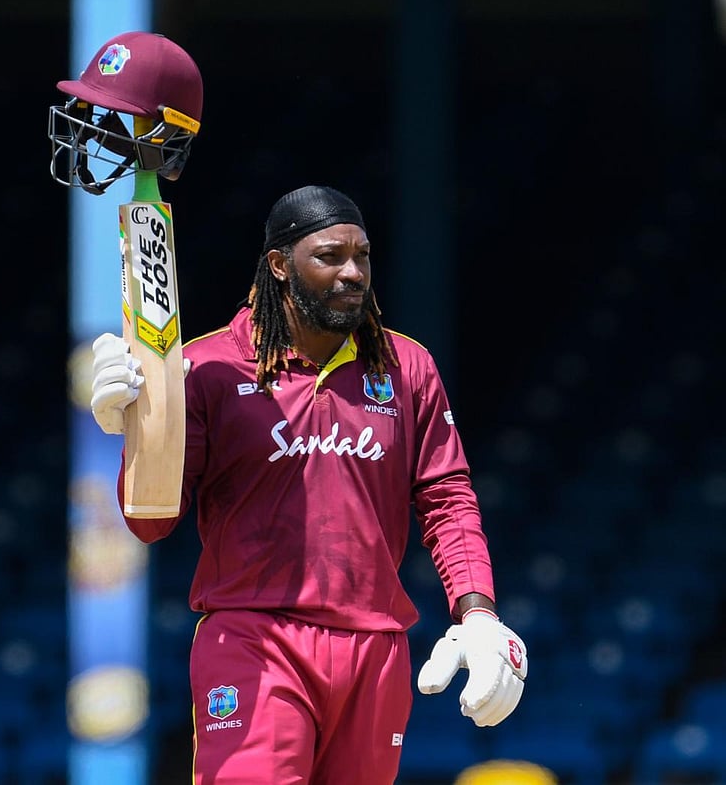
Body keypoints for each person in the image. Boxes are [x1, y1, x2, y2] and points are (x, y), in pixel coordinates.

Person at [89, 184, 528, 785]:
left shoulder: (407, 367)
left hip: (375, 649)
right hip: (253, 639)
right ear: (279, 265)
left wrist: (478, 614)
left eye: (363, 256)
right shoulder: (207, 368)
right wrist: (136, 431)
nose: (353, 273)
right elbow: (150, 522)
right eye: (330, 256)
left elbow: (447, 500)